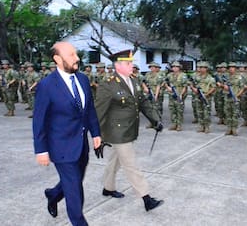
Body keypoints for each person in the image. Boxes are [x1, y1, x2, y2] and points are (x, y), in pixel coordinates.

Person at [33, 41, 102, 226]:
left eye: (76, 54)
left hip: (82, 146)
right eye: (71, 55)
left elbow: (89, 110)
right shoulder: (47, 86)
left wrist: (96, 133)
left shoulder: (82, 79)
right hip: (61, 147)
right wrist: (41, 150)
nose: (77, 58)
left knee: (73, 181)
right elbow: (39, 120)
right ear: (57, 58)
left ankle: (53, 194)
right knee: (75, 192)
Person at [95, 49, 164, 212]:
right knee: (131, 164)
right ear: (118, 65)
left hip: (129, 129)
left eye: (132, 63)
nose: (132, 66)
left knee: (115, 160)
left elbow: (143, 103)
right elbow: (99, 111)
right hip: (117, 132)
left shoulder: (133, 81)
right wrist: (97, 135)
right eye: (128, 63)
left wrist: (155, 120)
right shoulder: (108, 84)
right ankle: (146, 198)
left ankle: (108, 188)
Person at [189, 61, 216, 133]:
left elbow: (213, 87)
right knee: (199, 112)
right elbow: (191, 84)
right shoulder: (196, 77)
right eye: (201, 67)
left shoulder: (210, 78)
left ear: (207, 69)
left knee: (206, 112)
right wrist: (193, 88)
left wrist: (207, 94)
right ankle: (201, 126)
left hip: (207, 97)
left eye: (204, 68)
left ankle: (207, 127)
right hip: (198, 96)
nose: (202, 69)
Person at [221, 62, 245, 136]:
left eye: (233, 67)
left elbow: (242, 88)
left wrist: (237, 95)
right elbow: (221, 84)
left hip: (235, 98)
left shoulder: (239, 77)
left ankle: (234, 128)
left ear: (235, 69)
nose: (231, 69)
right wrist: (223, 86)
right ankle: (229, 128)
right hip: (227, 97)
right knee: (227, 113)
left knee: (235, 113)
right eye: (230, 67)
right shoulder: (225, 76)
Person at [165, 61, 188, 131]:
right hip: (171, 95)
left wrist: (181, 94)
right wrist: (167, 87)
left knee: (179, 110)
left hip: (179, 95)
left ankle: (179, 125)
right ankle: (174, 124)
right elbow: (165, 82)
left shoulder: (183, 75)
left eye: (176, 67)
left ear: (179, 68)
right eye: (173, 67)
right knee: (172, 110)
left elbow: (185, 86)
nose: (174, 68)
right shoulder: (169, 75)